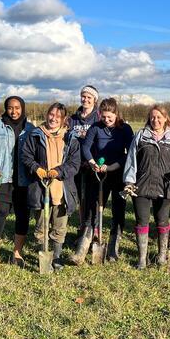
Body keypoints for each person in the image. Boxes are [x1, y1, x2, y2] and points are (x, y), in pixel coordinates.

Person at [123, 105, 170, 269]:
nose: (155, 120)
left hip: (164, 186)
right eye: (152, 117)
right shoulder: (141, 136)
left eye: (159, 117)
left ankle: (161, 256)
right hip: (141, 185)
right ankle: (142, 259)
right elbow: (131, 160)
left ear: (165, 118)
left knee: (162, 221)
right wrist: (129, 181)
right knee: (141, 221)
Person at [70, 98, 134, 264]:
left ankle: (113, 248)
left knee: (118, 210)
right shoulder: (95, 127)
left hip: (118, 173)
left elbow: (130, 152)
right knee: (93, 210)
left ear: (116, 113)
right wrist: (92, 162)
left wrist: (112, 167)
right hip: (98, 175)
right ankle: (82, 249)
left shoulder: (125, 129)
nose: (106, 120)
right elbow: (85, 147)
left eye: (110, 117)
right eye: (104, 117)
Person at [21, 102, 81, 271]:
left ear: (64, 119)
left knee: (60, 227)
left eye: (58, 116)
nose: (53, 118)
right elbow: (26, 156)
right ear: (47, 114)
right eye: (51, 114)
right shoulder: (35, 135)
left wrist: (59, 171)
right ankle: (43, 253)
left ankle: (56, 257)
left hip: (62, 191)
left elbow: (74, 163)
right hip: (40, 189)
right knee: (41, 227)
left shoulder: (70, 138)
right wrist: (36, 168)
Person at [0, 96, 35, 269]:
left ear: (23, 108)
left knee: (22, 215)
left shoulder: (30, 128)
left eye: (17, 107)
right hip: (2, 178)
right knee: (0, 213)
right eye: (10, 108)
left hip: (23, 179)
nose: (14, 111)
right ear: (6, 108)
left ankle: (17, 253)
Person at [68, 85, 100, 242]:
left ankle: (94, 230)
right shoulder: (73, 119)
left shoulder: (98, 118)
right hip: (76, 165)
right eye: (83, 96)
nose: (85, 99)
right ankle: (82, 229)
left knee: (92, 198)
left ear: (95, 99)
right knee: (80, 198)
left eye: (89, 97)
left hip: (93, 165)